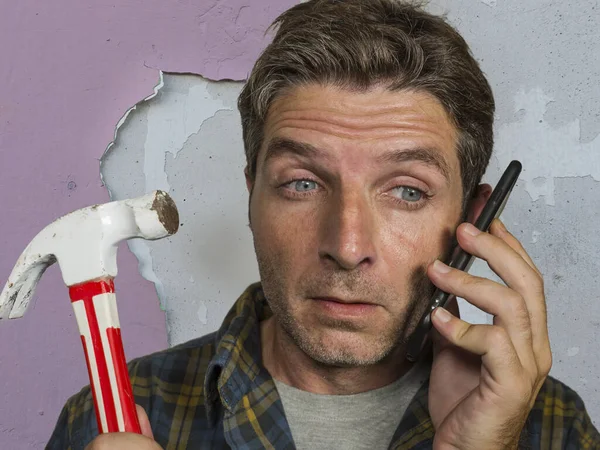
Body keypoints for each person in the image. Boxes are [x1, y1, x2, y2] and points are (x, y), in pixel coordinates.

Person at [47, 1, 599, 449]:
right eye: (302, 183)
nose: (347, 245)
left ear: (472, 221)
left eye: (407, 191)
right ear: (251, 193)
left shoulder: (550, 427)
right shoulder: (107, 419)